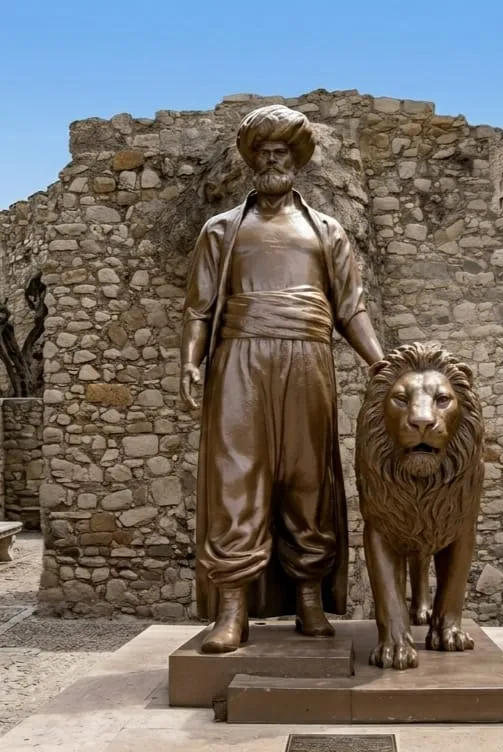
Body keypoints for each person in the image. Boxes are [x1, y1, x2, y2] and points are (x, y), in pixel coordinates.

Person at [180, 104, 383, 653]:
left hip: (308, 358)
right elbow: (199, 307)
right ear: (252, 160)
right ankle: (232, 608)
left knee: (308, 475)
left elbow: (351, 308)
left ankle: (309, 595)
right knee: (235, 477)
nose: (272, 160)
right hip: (239, 357)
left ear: (297, 160)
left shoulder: (327, 230)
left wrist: (378, 363)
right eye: (264, 152)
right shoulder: (221, 229)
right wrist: (191, 360)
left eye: (282, 152)